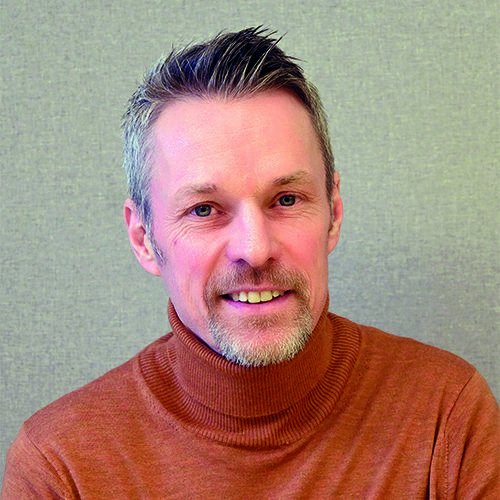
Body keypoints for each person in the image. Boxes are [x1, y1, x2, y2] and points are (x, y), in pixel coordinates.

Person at [2, 27, 499, 499]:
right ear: (144, 238)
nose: (255, 249)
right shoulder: (62, 467)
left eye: (286, 199)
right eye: (204, 210)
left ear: (333, 212)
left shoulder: (448, 418)